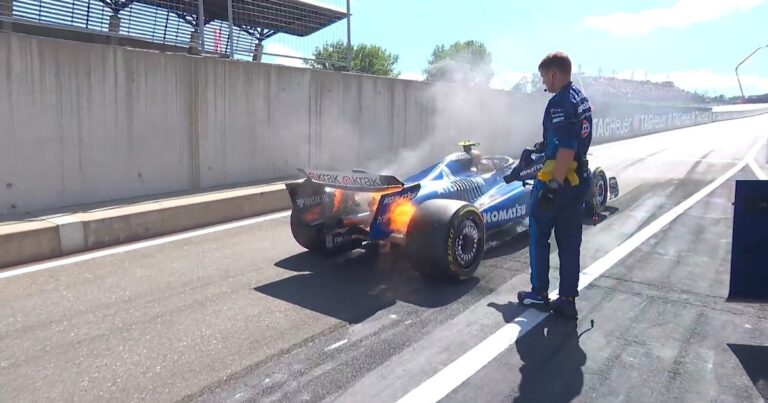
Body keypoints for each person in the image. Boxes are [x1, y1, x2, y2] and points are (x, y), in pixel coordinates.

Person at [517, 51, 593, 319]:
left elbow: (567, 145)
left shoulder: (558, 103)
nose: (543, 84)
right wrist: (542, 145)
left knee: (539, 235)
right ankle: (567, 299)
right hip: (578, 180)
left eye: (543, 78)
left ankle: (539, 294)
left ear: (553, 74)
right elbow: (570, 139)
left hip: (558, 179)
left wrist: (550, 187)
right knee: (570, 242)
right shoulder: (580, 98)